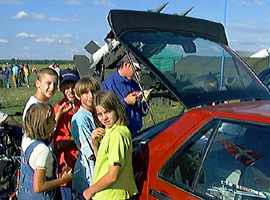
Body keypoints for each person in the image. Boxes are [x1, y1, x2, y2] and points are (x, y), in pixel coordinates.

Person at [83, 91, 137, 200]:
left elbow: (113, 175)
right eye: (100, 114)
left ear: (116, 109)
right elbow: (104, 165)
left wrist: (90, 190)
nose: (104, 118)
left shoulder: (117, 134)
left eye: (107, 112)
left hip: (112, 195)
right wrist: (95, 145)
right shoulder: (110, 131)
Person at [18, 103, 72, 200]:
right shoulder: (43, 151)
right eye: (52, 120)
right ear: (44, 124)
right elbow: (39, 186)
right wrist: (64, 179)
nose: (55, 123)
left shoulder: (27, 139)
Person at [102, 54, 149, 137]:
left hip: (136, 133)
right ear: (126, 65)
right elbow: (106, 111)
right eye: (136, 69)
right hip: (119, 135)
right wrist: (126, 102)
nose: (137, 73)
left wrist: (144, 100)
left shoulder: (135, 84)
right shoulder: (108, 85)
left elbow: (143, 112)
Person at [52, 68, 80, 200]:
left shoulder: (83, 105)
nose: (70, 90)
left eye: (73, 86)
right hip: (65, 166)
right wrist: (75, 142)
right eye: (66, 86)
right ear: (61, 88)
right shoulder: (58, 109)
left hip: (82, 164)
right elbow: (55, 143)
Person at [71, 77, 100, 198]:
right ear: (78, 96)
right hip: (89, 176)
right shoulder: (80, 118)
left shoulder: (95, 113)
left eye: (93, 91)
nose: (91, 96)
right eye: (85, 93)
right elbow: (90, 153)